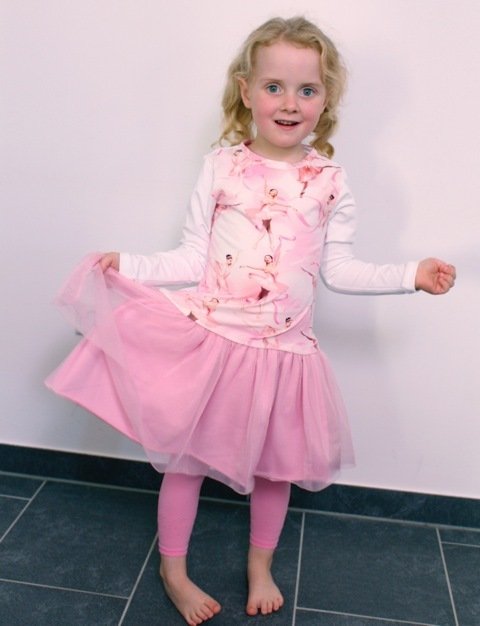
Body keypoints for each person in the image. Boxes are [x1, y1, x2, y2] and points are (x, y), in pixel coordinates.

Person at [46, 16, 456, 626]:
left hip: (285, 354)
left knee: (275, 469)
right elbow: (190, 256)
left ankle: (260, 566)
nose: (289, 103)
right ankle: (174, 570)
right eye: (274, 87)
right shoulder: (222, 166)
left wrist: (409, 273)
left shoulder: (329, 181)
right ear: (246, 91)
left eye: (307, 90)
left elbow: (338, 270)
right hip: (213, 342)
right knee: (184, 462)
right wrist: (126, 263)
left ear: (325, 99)